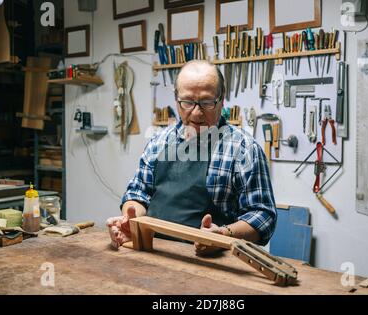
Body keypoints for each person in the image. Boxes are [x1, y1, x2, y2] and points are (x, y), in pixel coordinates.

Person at [107, 60, 276, 256]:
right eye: (187, 102)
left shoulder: (245, 149)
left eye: (206, 103)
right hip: (152, 255)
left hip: (211, 266)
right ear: (176, 99)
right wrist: (131, 220)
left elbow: (264, 216)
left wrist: (223, 235)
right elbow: (138, 194)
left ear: (222, 100)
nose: (196, 113)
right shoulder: (158, 142)